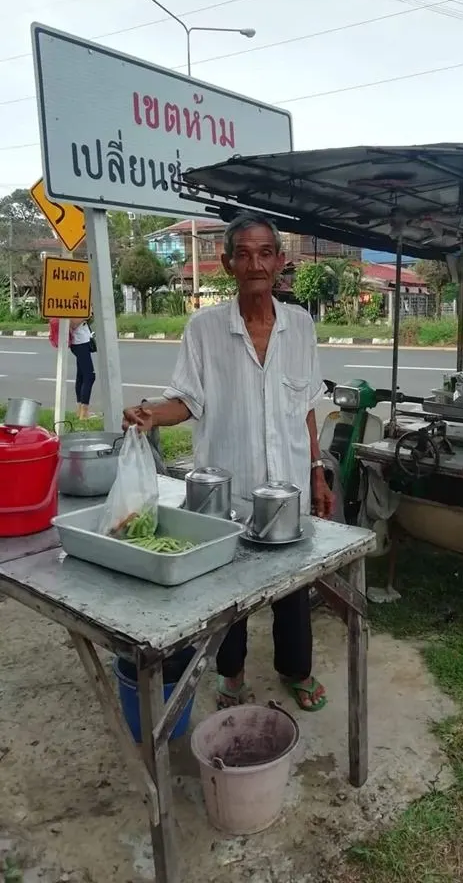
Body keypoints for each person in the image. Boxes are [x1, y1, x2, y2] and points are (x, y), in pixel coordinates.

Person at [122, 212, 334, 712]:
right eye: (244, 254)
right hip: (226, 493)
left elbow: (306, 406)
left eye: (265, 254)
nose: (255, 264)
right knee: (227, 589)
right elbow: (187, 401)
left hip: (287, 489)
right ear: (227, 264)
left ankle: (296, 670)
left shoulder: (300, 326)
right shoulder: (204, 328)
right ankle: (231, 673)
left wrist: (317, 472)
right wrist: (151, 414)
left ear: (280, 262)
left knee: (293, 587)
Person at [69, 318, 95, 420]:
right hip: (79, 342)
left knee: (81, 376)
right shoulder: (76, 310)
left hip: (83, 340)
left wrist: (89, 316)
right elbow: (73, 324)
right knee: (90, 376)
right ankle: (84, 413)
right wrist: (85, 315)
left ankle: (80, 410)